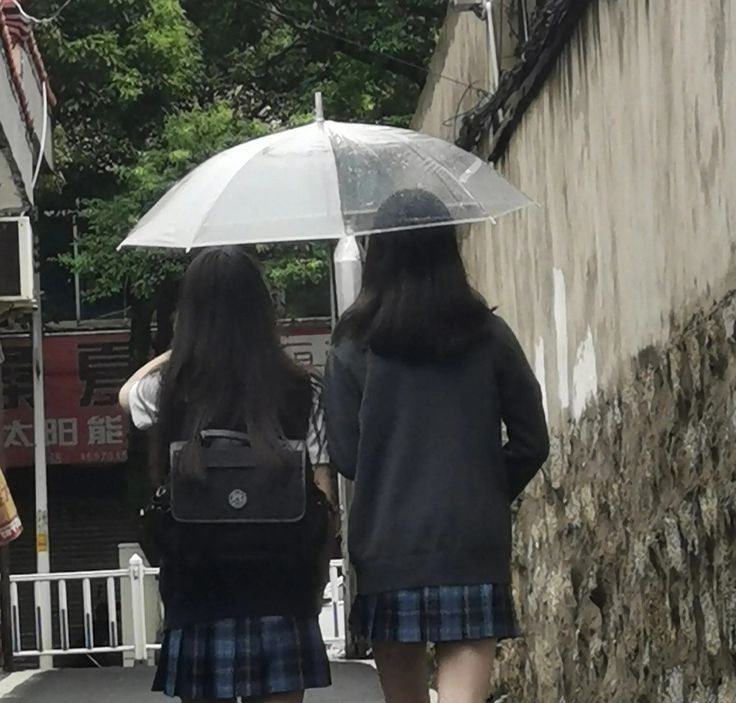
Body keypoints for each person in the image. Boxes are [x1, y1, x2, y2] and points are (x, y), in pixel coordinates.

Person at [324, 189, 550, 703]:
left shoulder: (351, 346)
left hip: (387, 549)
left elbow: (345, 456)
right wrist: (486, 488)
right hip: (470, 544)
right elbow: (532, 440)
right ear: (450, 251)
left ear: (376, 255)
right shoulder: (489, 336)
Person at [119, 247, 335, 703]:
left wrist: (177, 352)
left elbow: (126, 395)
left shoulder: (167, 391)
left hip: (197, 598)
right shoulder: (303, 390)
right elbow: (322, 496)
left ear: (188, 313)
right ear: (262, 310)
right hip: (281, 595)